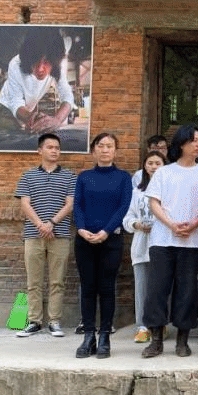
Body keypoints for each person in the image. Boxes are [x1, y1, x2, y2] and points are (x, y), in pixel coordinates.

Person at [140, 125, 198, 359]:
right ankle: (156, 340)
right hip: (163, 240)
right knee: (157, 290)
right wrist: (172, 225)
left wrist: (194, 224)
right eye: (194, 140)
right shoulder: (164, 172)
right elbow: (154, 202)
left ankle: (182, 340)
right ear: (181, 143)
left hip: (193, 241)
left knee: (187, 291)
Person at [72, 132, 132, 359]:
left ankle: (105, 336)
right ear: (93, 150)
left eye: (109, 146)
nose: (105, 150)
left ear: (115, 151)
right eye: (101, 145)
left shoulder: (123, 178)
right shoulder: (84, 177)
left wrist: (106, 231)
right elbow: (78, 204)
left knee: (107, 288)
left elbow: (123, 207)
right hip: (84, 239)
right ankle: (89, 336)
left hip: (111, 239)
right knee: (88, 288)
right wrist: (81, 228)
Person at [14, 133, 76, 338]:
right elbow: (25, 204)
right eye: (50, 147)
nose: (54, 151)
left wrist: (52, 223)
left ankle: (54, 321)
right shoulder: (28, 176)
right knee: (34, 281)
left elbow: (70, 204)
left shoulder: (69, 176)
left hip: (60, 234)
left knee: (58, 280)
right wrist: (41, 225)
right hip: (34, 234)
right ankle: (34, 321)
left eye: (57, 148)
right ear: (40, 150)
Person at [122, 149, 167, 344]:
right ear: (144, 167)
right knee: (141, 288)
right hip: (141, 246)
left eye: (158, 163)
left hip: (164, 245)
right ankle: (142, 326)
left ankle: (160, 324)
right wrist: (137, 224)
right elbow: (127, 218)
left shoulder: (170, 190)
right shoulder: (137, 192)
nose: (154, 167)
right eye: (150, 163)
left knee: (162, 288)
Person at [0, 28, 73, 134]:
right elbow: (15, 102)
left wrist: (57, 120)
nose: (40, 68)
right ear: (29, 58)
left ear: (54, 61)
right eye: (36, 60)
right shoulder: (15, 64)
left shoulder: (57, 66)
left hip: (28, 109)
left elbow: (67, 95)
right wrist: (31, 116)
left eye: (46, 61)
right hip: (7, 109)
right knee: (7, 138)